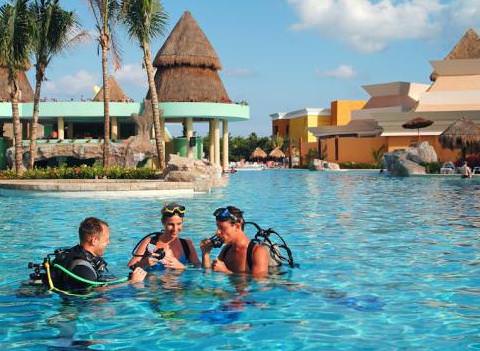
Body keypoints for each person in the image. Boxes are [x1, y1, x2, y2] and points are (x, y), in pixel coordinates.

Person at [50, 217, 146, 293]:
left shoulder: (77, 253)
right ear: (94, 241)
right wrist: (131, 283)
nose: (108, 242)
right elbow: (95, 296)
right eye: (106, 239)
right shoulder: (82, 268)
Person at [200, 206, 269, 277]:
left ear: (237, 226)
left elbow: (259, 283)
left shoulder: (258, 251)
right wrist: (205, 253)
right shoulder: (226, 250)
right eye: (217, 227)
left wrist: (226, 272)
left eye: (222, 228)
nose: (217, 232)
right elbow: (207, 275)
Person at [128, 203, 200, 271]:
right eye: (171, 224)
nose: (175, 229)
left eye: (179, 224)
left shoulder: (186, 244)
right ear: (163, 222)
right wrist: (143, 263)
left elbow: (199, 268)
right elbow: (129, 267)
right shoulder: (151, 243)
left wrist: (182, 267)